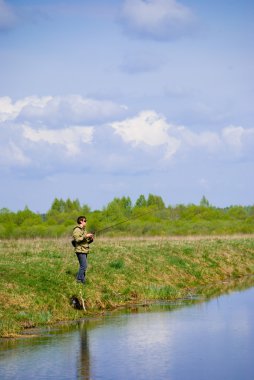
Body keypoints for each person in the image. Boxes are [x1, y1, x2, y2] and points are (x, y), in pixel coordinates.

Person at [72, 216, 94, 284]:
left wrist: (90, 239)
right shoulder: (77, 230)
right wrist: (86, 236)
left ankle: (83, 281)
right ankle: (78, 280)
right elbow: (77, 240)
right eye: (85, 221)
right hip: (80, 250)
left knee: (83, 266)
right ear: (81, 221)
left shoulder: (84, 230)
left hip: (84, 250)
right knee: (84, 266)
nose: (86, 222)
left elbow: (85, 241)